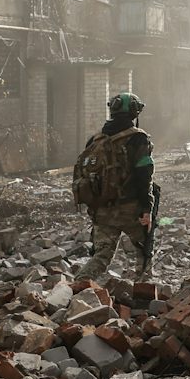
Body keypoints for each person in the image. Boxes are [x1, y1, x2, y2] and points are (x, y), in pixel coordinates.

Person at [73, 91, 158, 278]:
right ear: (134, 113)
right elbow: (144, 176)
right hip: (130, 210)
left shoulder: (95, 141)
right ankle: (143, 293)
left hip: (102, 211)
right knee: (144, 252)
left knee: (101, 256)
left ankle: (76, 288)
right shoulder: (138, 139)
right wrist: (147, 209)